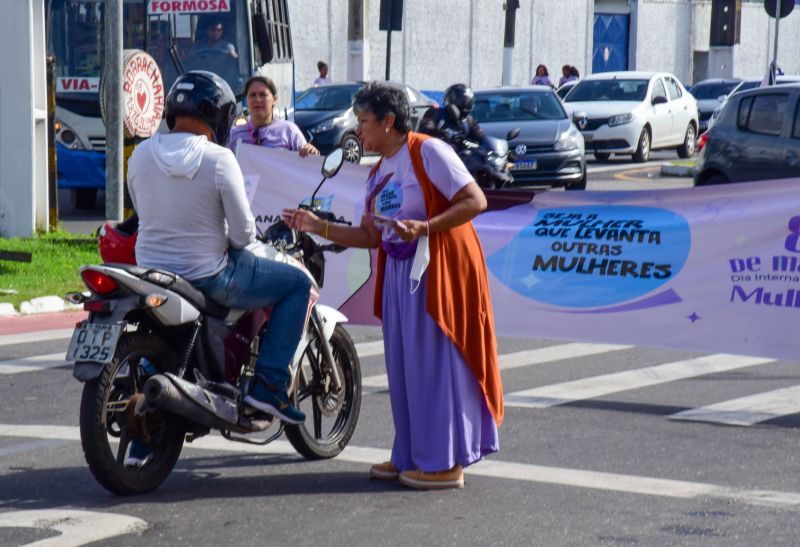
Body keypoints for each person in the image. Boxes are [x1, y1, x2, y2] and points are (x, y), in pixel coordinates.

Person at [283, 82, 503, 490]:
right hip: (400, 276)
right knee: (405, 368)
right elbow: (370, 236)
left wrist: (426, 227)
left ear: (388, 121)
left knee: (433, 367)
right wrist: (318, 226)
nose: (358, 131)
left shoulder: (428, 151)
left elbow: (475, 201)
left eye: (364, 122)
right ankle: (412, 454)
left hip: (437, 272)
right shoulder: (379, 169)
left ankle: (442, 463)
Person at [127, 70, 311, 434]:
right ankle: (269, 386)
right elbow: (243, 236)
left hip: (150, 273)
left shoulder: (140, 154)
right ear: (219, 114)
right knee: (296, 285)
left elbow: (146, 211)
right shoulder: (220, 158)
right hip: (209, 276)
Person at [229, 76, 319, 157]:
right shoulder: (235, 133)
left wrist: (310, 152)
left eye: (263, 95)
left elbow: (306, 164)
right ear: (247, 99)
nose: (257, 99)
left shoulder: (289, 131)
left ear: (274, 100)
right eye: (252, 95)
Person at [418, 83, 485, 151]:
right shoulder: (436, 113)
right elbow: (425, 128)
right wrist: (441, 133)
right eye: (464, 102)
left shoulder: (469, 121)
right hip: (439, 154)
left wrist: (465, 142)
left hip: (464, 158)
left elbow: (480, 140)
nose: (466, 105)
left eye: (468, 103)